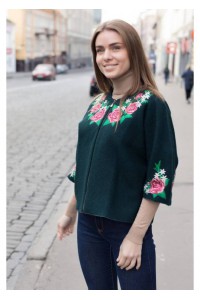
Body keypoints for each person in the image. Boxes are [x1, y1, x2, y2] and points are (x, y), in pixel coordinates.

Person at [57, 19, 178, 290]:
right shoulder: (97, 103)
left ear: (133, 51)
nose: (106, 56)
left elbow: (160, 175)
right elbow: (85, 162)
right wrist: (70, 213)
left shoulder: (152, 104)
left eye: (115, 47)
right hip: (88, 225)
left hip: (127, 225)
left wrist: (136, 237)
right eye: (100, 50)